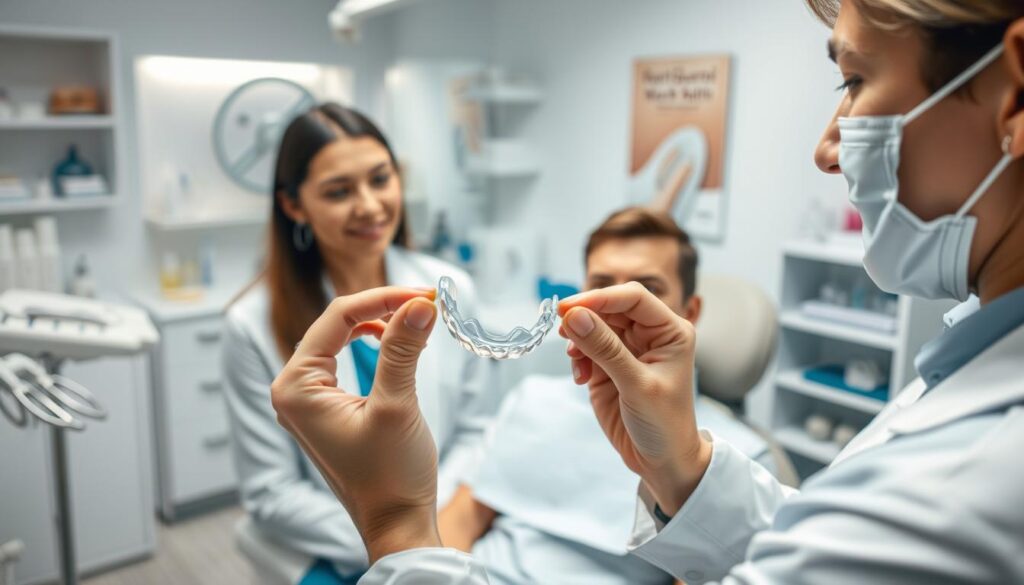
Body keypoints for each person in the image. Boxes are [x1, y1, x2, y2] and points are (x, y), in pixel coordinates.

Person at [269, 1, 1024, 583]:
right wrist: (683, 468)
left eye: (854, 80)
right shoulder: (546, 406)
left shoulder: (980, 472)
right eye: (599, 283)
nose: (828, 146)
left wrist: (397, 523)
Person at [222, 103, 494, 584]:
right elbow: (271, 492)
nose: (369, 205)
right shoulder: (252, 323)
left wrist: (434, 530)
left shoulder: (451, 287)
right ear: (293, 205)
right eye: (339, 191)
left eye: (380, 178)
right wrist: (392, 538)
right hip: (337, 551)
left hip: (443, 534)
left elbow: (475, 432)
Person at [436, 207, 774, 585]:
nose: (618, 309)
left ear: (689, 312)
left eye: (647, 290)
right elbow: (463, 515)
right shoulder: (532, 398)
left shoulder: (739, 463)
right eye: (601, 286)